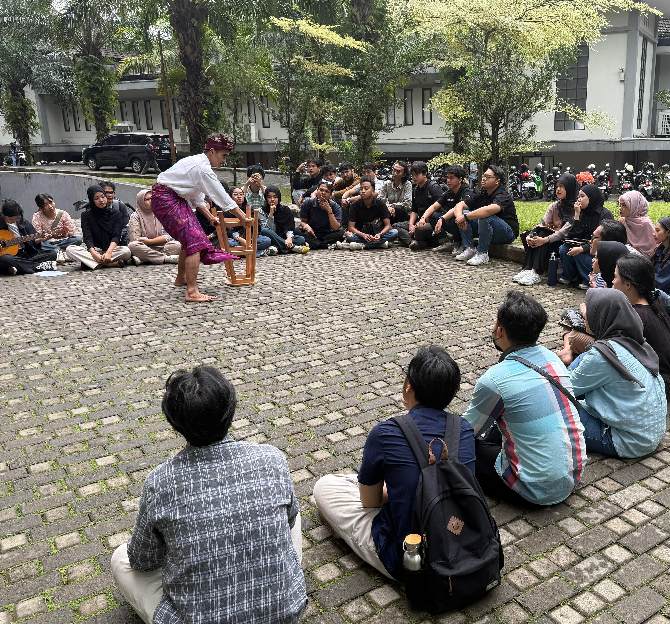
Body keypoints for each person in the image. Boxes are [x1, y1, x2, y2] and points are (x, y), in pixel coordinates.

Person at [111, 366, 305, 624]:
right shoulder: (272, 458)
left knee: (120, 559)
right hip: (285, 613)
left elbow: (142, 560)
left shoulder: (160, 482)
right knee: (292, 515)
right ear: (230, 409)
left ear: (174, 423)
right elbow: (290, 520)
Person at [313, 346, 474, 580]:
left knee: (326, 486)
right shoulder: (465, 430)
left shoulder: (386, 432)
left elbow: (370, 501)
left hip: (412, 557)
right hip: (460, 543)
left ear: (408, 385)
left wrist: (395, 491)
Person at [462, 291, 585, 506]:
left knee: (464, 447)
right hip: (572, 476)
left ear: (500, 330)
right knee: (498, 426)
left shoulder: (494, 380)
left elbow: (466, 430)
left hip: (532, 488)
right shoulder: (552, 360)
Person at [569, 289, 667, 458]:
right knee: (584, 357)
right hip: (651, 433)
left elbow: (563, 390)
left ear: (600, 316)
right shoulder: (634, 340)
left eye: (590, 311)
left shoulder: (602, 356)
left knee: (554, 410)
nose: (584, 314)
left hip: (629, 441)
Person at [150, 133, 239, 303]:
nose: (224, 160)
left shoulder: (197, 163)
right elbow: (222, 196)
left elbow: (197, 198)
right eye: (224, 155)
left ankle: (181, 278)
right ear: (212, 151)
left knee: (190, 239)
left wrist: (211, 218)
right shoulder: (202, 167)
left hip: (171, 198)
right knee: (195, 240)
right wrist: (243, 218)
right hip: (166, 198)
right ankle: (191, 291)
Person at [613, 254, 670, 399]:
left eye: (615, 277)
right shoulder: (652, 302)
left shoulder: (636, 315)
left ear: (628, 284)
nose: (612, 282)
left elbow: (613, 353)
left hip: (660, 385)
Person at [443, 165, 519, 266]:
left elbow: (489, 210)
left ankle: (482, 253)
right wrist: (460, 218)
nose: (483, 179)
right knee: (464, 213)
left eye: (487, 177)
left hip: (507, 234)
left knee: (484, 215)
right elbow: (460, 205)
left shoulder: (503, 194)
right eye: (483, 176)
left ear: (497, 181)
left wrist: (465, 217)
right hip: (488, 231)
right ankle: (469, 248)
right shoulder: (483, 193)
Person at [513, 172, 577, 285]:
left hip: (563, 242)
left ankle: (536, 271)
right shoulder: (554, 206)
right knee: (532, 233)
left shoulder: (576, 209)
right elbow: (542, 223)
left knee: (542, 234)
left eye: (562, 187)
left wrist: (544, 239)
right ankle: (528, 269)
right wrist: (531, 235)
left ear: (570, 188)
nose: (558, 189)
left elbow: (563, 232)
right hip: (550, 239)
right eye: (557, 186)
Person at [558, 184, 613, 288]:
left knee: (580, 254)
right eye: (578, 196)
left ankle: (590, 280)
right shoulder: (581, 212)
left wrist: (583, 248)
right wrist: (577, 216)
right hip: (583, 244)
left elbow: (604, 239)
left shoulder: (604, 214)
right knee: (563, 249)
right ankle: (570, 276)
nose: (579, 199)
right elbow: (573, 235)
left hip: (597, 249)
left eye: (582, 196)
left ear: (591, 198)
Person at [65, 185, 132, 270]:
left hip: (112, 250)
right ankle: (109, 264)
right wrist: (94, 253)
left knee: (126, 251)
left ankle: (91, 263)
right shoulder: (86, 215)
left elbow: (116, 236)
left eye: (103, 197)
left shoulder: (116, 214)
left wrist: (108, 252)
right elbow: (87, 237)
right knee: (70, 249)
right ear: (92, 201)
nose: (101, 200)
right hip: (95, 250)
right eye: (96, 198)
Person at [416, 164, 470, 251]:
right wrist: (423, 218)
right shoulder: (448, 192)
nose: (448, 180)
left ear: (460, 179)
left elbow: (457, 207)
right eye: (447, 178)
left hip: (467, 222)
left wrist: (442, 218)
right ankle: (446, 241)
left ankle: (462, 243)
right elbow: (434, 206)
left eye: (451, 178)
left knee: (456, 218)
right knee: (433, 215)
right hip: (451, 220)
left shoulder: (466, 191)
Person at [0, 200, 58, 275]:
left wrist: (41, 239)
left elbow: (33, 242)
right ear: (3, 215)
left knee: (52, 254)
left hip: (24, 255)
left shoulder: (23, 222)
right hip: (8, 256)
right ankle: (37, 266)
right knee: (5, 259)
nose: (13, 221)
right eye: (10, 219)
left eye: (16, 218)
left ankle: (16, 268)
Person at [338, 177, 397, 250]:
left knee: (394, 232)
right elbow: (351, 227)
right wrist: (363, 235)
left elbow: (388, 225)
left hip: (377, 232)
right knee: (349, 236)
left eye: (366, 188)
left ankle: (362, 245)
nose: (363, 191)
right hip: (361, 233)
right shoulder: (354, 205)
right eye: (361, 189)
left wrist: (380, 234)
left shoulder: (380, 204)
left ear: (373, 190)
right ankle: (380, 244)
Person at [127, 189, 181, 265]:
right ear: (141, 202)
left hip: (160, 246)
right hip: (143, 247)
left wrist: (150, 241)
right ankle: (166, 258)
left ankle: (145, 258)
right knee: (133, 245)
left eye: (152, 198)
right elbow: (135, 239)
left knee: (177, 245)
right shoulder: (135, 216)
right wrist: (147, 243)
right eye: (147, 199)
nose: (151, 201)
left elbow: (169, 236)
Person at [397, 161, 442, 248]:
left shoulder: (433, 187)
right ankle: (414, 242)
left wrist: (419, 224)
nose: (414, 177)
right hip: (419, 220)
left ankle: (417, 241)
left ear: (425, 173)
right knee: (396, 226)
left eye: (416, 175)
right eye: (412, 175)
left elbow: (440, 209)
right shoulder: (416, 189)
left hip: (432, 222)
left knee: (419, 229)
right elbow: (414, 210)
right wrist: (411, 225)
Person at [31, 193, 82, 261]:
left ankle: (58, 251)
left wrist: (66, 233)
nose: (50, 206)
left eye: (51, 202)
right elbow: (37, 239)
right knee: (42, 245)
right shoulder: (37, 217)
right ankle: (62, 252)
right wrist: (48, 237)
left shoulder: (63, 214)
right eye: (45, 205)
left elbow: (72, 232)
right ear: (41, 208)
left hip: (62, 241)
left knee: (78, 239)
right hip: (48, 243)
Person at [297, 181, 344, 249]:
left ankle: (316, 244)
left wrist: (329, 211)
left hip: (327, 233)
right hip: (312, 232)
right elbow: (303, 221)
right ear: (317, 191)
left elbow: (336, 227)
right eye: (321, 190)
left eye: (326, 191)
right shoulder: (308, 203)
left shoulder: (335, 206)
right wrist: (306, 226)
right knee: (296, 231)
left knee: (341, 233)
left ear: (330, 195)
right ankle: (324, 245)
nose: (323, 193)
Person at [227, 186, 272, 257]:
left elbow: (257, 229)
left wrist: (254, 224)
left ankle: (242, 253)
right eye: (235, 194)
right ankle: (258, 252)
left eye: (241, 194)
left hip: (249, 237)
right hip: (235, 238)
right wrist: (240, 239)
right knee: (229, 243)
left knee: (266, 240)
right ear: (230, 197)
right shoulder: (227, 211)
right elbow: (228, 230)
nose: (239, 196)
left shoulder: (248, 208)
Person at [263, 186, 308, 254]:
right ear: (266, 199)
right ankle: (293, 248)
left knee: (300, 239)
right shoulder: (262, 210)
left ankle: (277, 248)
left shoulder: (285, 209)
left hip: (283, 237)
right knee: (264, 231)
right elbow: (267, 229)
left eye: (275, 197)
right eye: (269, 197)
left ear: (279, 198)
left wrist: (289, 238)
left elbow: (289, 227)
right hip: (271, 237)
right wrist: (271, 214)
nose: (272, 199)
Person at [617, 190, 656, 257]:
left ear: (635, 206)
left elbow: (651, 249)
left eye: (624, 205)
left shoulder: (645, 224)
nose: (620, 208)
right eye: (620, 205)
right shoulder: (623, 221)